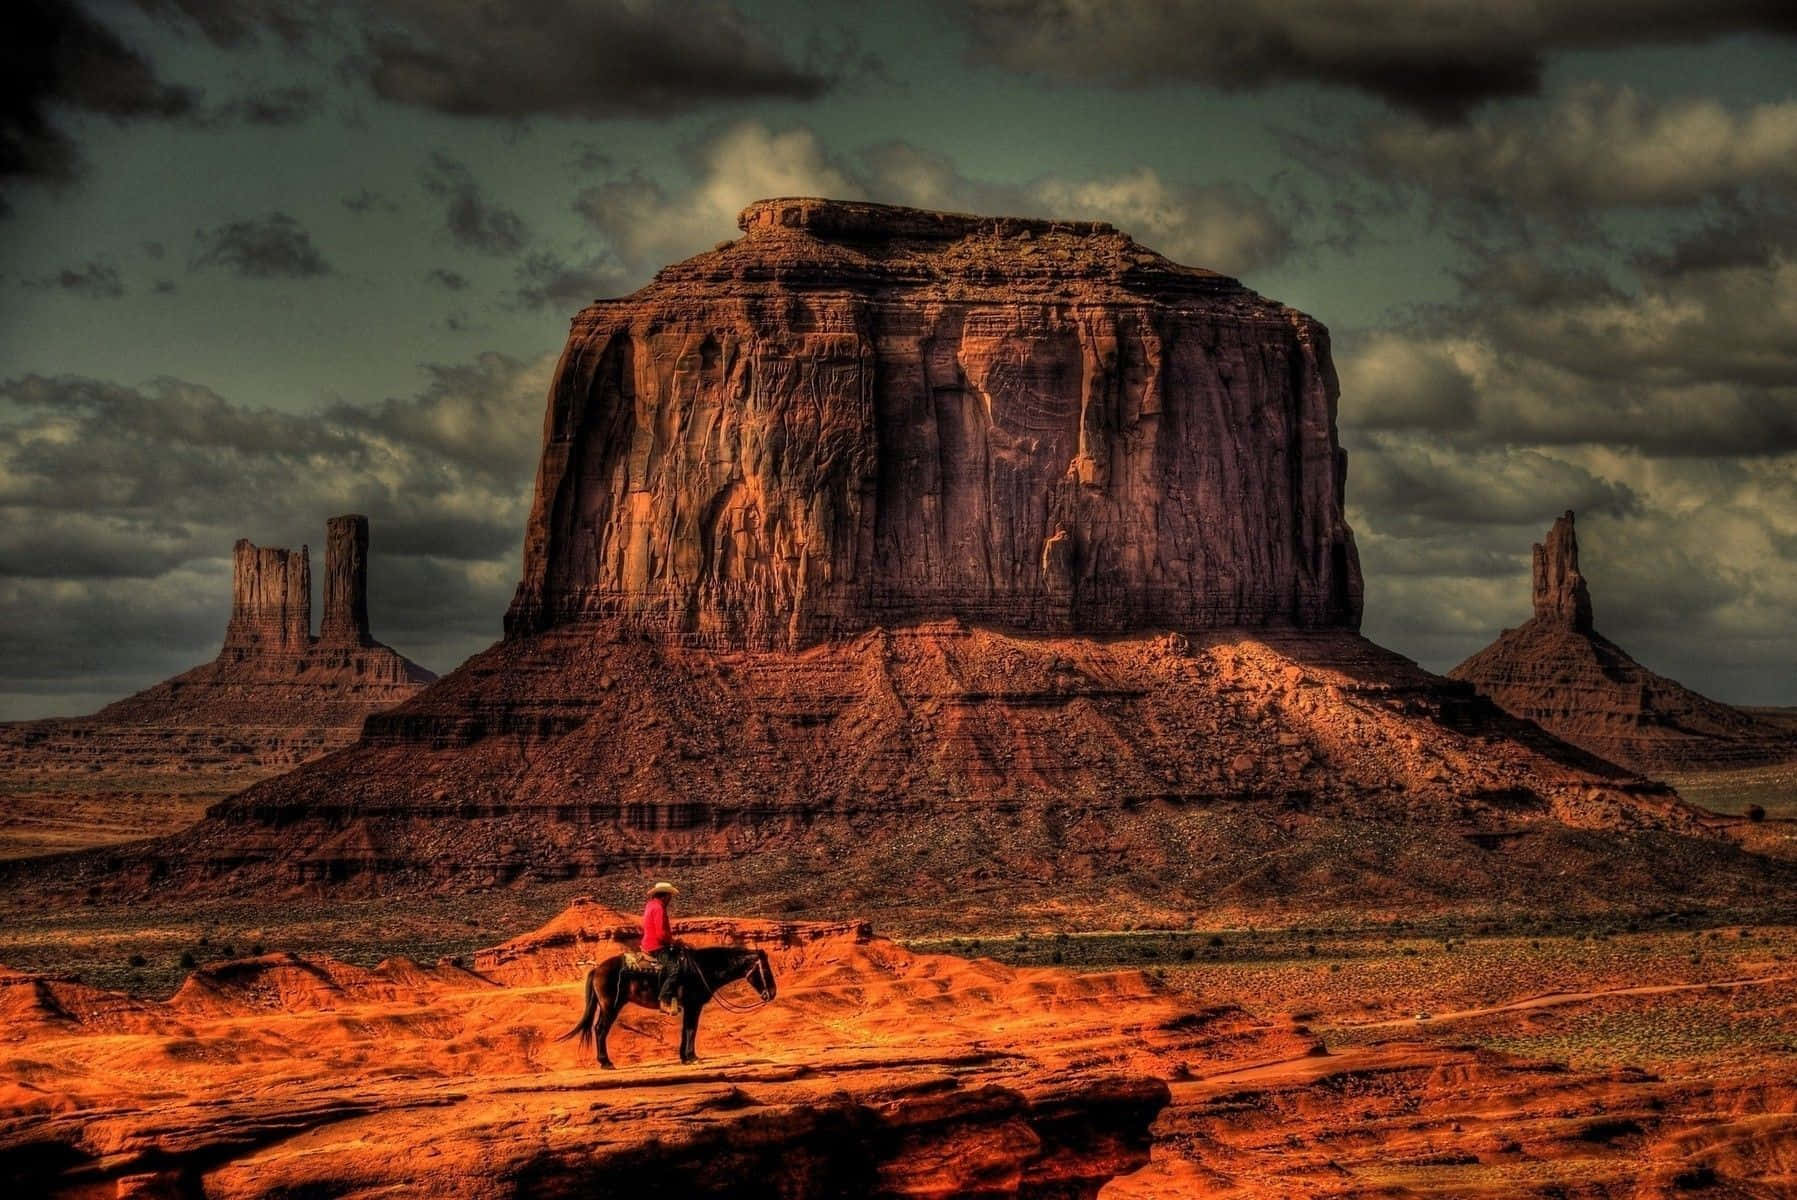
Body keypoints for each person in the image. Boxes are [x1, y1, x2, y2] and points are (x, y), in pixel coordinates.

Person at [641, 881, 682, 1014]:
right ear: (665, 896)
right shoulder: (659, 908)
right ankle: (664, 1001)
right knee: (675, 969)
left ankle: (674, 998)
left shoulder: (650, 904)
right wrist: (673, 942)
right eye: (670, 896)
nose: (670, 899)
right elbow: (660, 933)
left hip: (647, 943)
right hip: (656, 946)